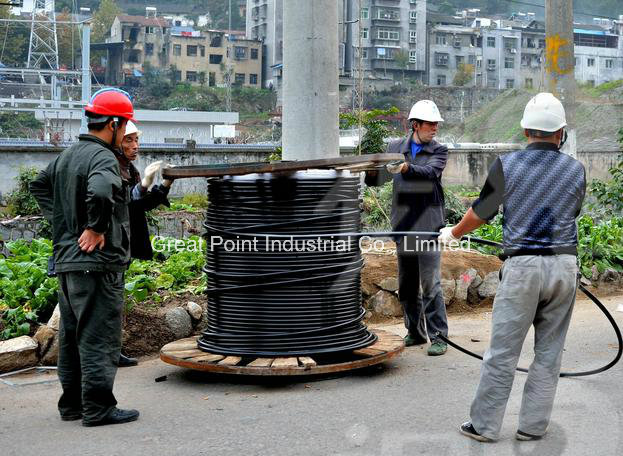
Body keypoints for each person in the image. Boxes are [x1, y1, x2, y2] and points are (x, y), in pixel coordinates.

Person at [439, 93, 586, 442]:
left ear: (525, 131)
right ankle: (533, 426)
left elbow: (482, 212)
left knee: (504, 351)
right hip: (564, 266)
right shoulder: (575, 169)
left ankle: (484, 426)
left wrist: (454, 232)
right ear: (560, 133)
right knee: (549, 352)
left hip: (522, 267)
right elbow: (574, 210)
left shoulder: (507, 165)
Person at [30, 88, 140, 427]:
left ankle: (72, 405)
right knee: (98, 336)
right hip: (96, 263)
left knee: (72, 335)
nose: (125, 133)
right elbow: (102, 191)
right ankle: (98, 408)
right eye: (124, 126)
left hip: (67, 261)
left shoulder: (68, 155)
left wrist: (64, 222)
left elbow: (38, 185)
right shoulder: (103, 157)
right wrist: (93, 227)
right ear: (113, 124)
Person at [366, 100, 449, 356]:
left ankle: (439, 337)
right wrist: (371, 170)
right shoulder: (394, 148)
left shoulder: (439, 151)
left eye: (436, 124)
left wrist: (405, 167)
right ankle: (415, 331)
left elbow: (429, 173)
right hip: (404, 226)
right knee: (408, 284)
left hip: (427, 226)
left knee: (431, 284)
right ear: (415, 124)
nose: (434, 128)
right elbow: (378, 179)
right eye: (430, 124)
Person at [114, 120, 174, 367]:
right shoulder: (110, 166)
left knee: (115, 300)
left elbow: (141, 205)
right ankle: (106, 354)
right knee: (109, 302)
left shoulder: (129, 168)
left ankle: (112, 351)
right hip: (111, 242)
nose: (135, 145)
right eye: (129, 140)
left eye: (136, 140)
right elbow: (124, 202)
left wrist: (164, 184)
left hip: (123, 243)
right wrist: (143, 186)